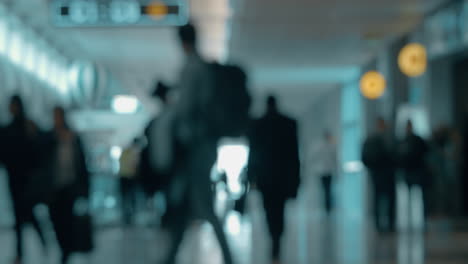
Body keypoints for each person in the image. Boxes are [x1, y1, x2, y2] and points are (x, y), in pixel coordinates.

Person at [162, 23, 233, 264]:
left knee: (202, 203)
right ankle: (171, 254)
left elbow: (185, 109)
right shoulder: (203, 67)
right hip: (204, 144)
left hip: (195, 146)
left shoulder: (192, 69)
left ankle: (228, 255)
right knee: (186, 202)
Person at [247, 95, 301, 264]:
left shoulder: (258, 125)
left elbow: (253, 154)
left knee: (269, 209)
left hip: (265, 177)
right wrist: (296, 179)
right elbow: (294, 155)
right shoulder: (289, 124)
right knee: (280, 209)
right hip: (283, 176)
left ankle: (274, 237)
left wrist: (251, 177)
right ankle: (276, 239)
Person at [2, 95, 47, 264]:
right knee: (22, 217)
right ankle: (23, 251)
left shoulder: (25, 127)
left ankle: (26, 250)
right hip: (16, 179)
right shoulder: (13, 128)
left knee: (25, 216)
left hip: (25, 180)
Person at [44, 106, 91, 264]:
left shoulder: (72, 137)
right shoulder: (50, 137)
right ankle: (64, 248)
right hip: (54, 188)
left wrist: (85, 189)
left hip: (70, 187)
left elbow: (81, 165)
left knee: (67, 220)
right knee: (56, 220)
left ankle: (66, 251)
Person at [362, 117, 397, 234]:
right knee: (382, 198)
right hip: (382, 173)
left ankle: (387, 224)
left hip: (382, 173)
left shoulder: (381, 138)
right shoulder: (387, 139)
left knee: (384, 198)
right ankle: (383, 224)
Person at [398, 120, 429, 223]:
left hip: (417, 170)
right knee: (410, 195)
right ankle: (410, 218)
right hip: (409, 170)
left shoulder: (415, 140)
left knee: (422, 196)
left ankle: (424, 217)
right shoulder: (404, 140)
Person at [119, 138, 141, 225]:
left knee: (125, 197)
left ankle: (127, 216)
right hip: (130, 177)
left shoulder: (124, 152)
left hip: (123, 177)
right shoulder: (133, 153)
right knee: (131, 197)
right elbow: (134, 165)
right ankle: (131, 215)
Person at [317, 131, 338, 214]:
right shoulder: (324, 146)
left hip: (327, 171)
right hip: (324, 171)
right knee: (326, 190)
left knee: (327, 190)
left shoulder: (330, 146)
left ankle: (327, 207)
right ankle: (327, 206)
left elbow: (335, 160)